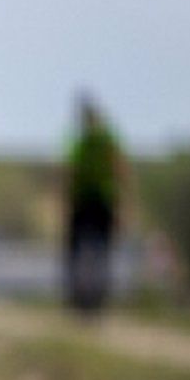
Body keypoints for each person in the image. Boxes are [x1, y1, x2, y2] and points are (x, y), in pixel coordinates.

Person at [63, 95, 125, 316]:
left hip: (82, 201)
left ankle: (78, 298)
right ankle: (99, 299)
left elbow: (69, 170)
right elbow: (120, 169)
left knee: (75, 249)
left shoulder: (78, 140)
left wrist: (65, 200)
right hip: (104, 201)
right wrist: (121, 203)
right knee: (103, 251)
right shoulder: (108, 138)